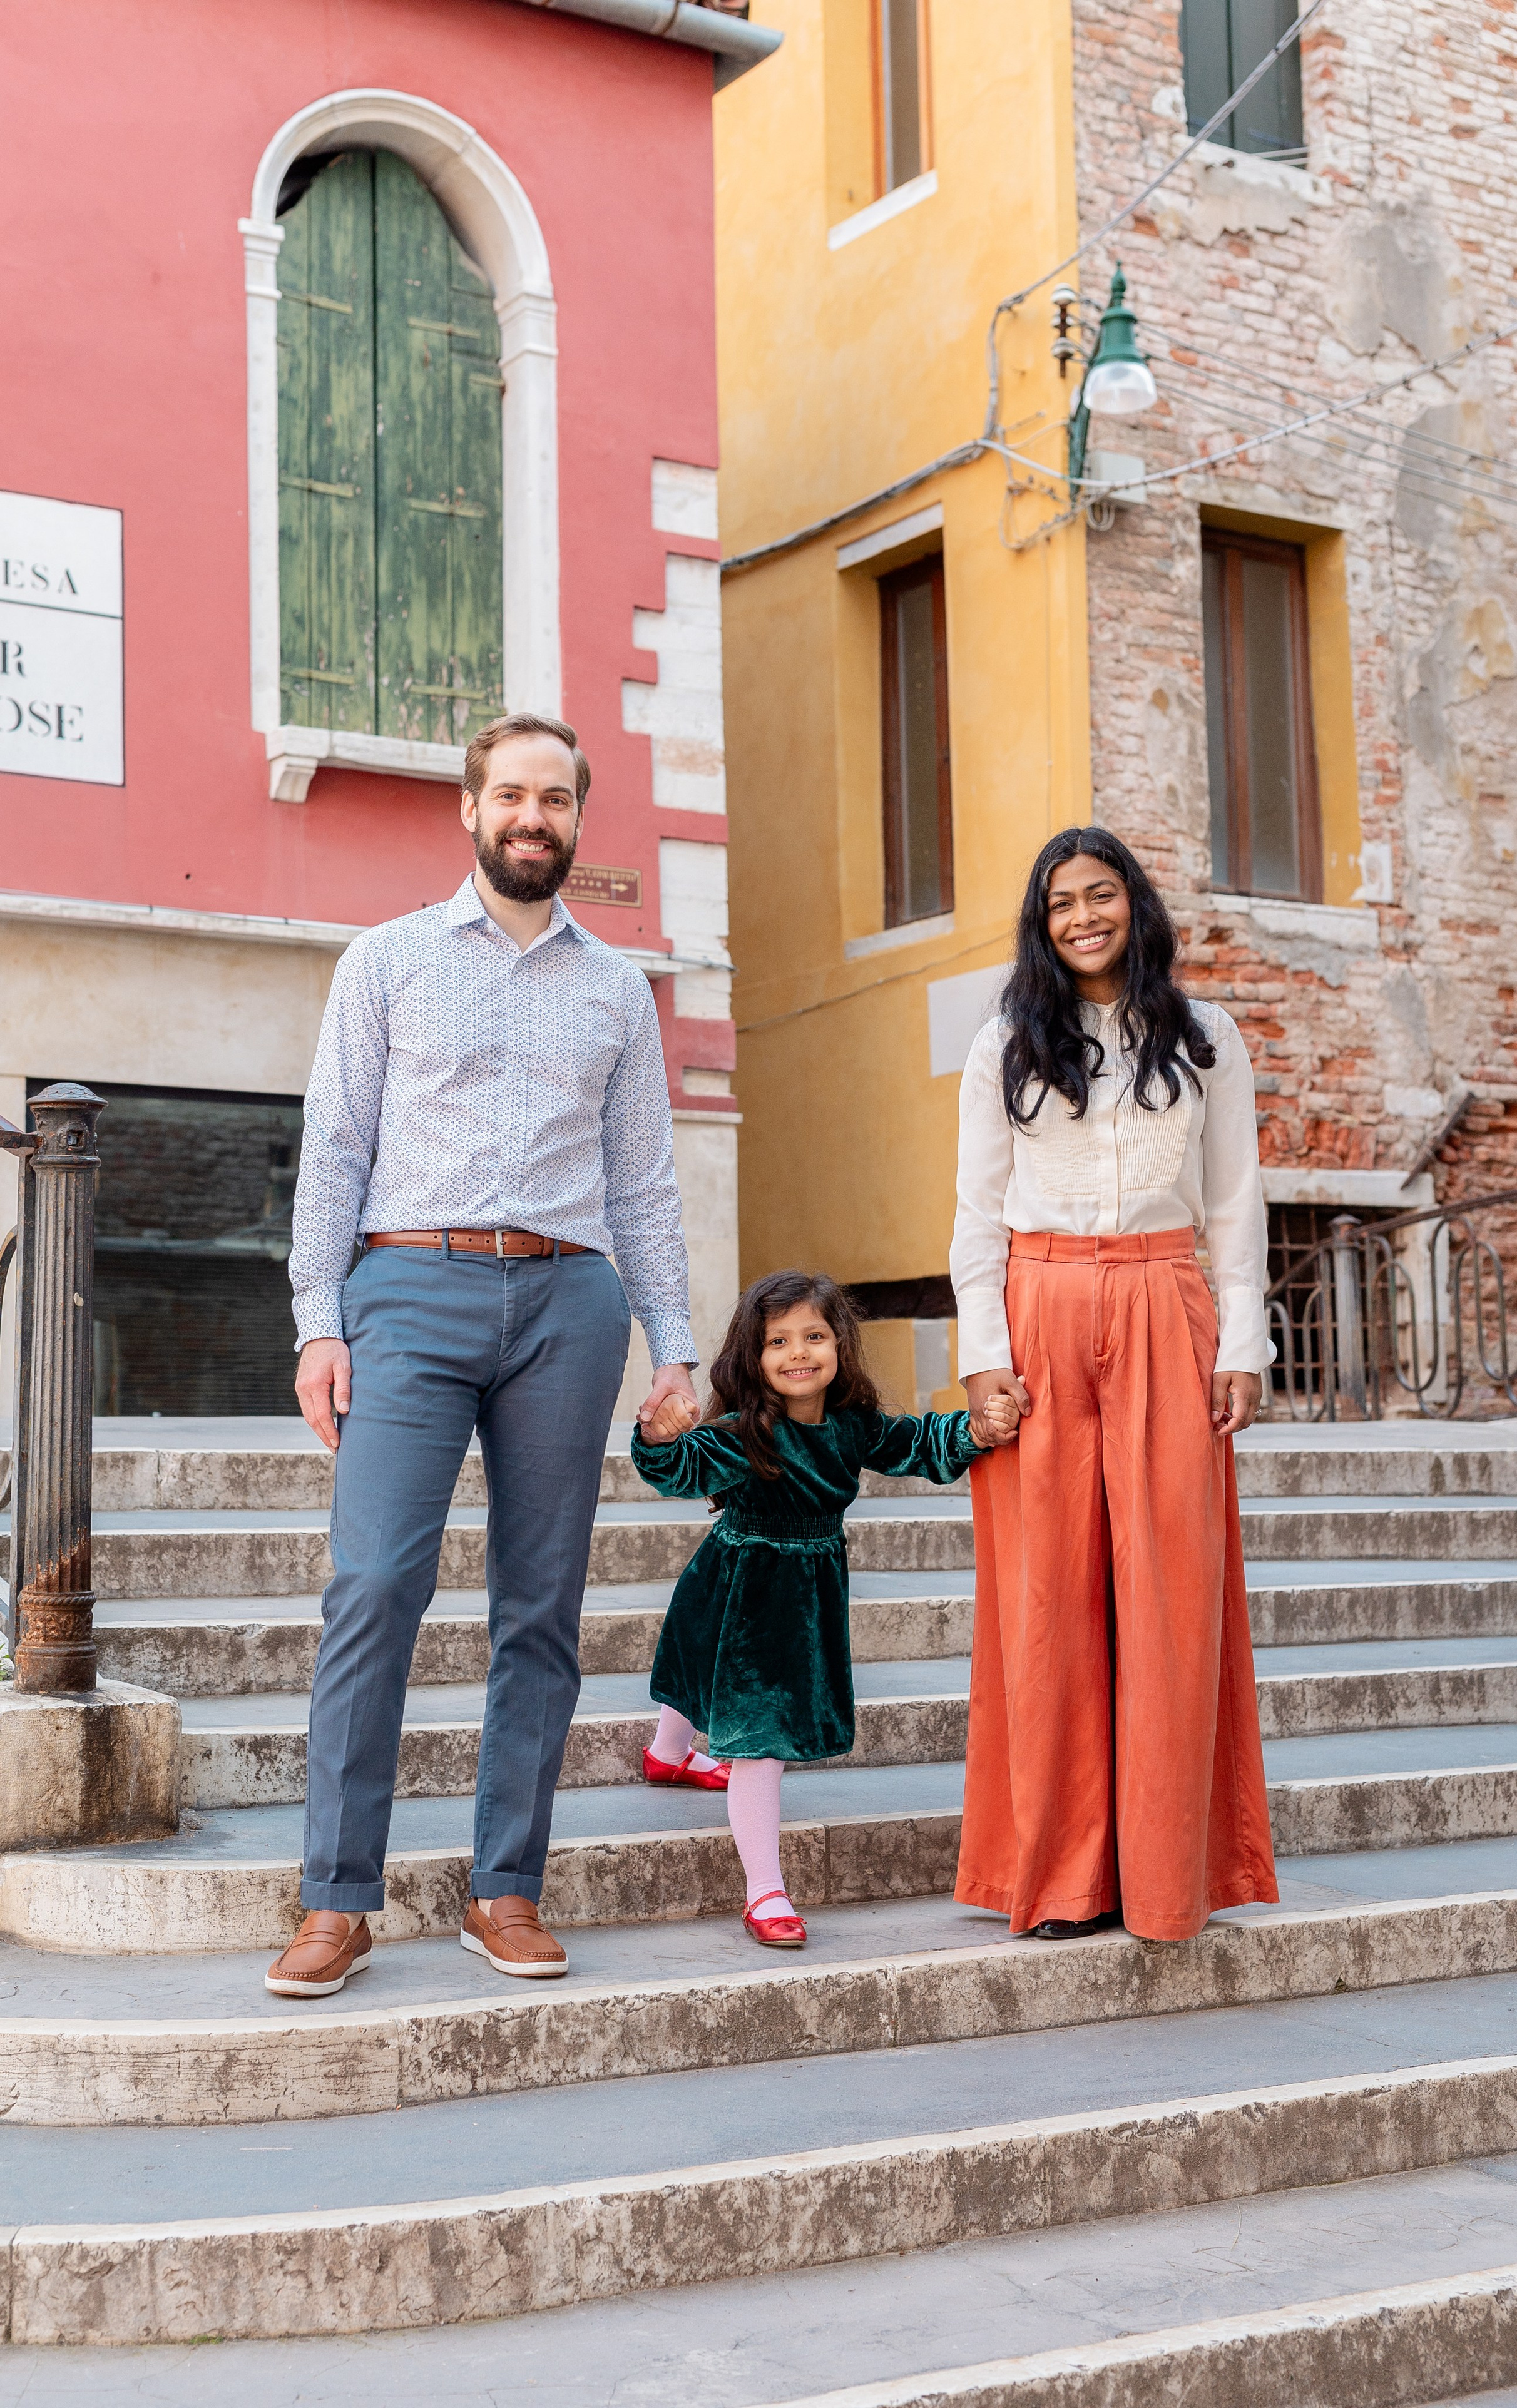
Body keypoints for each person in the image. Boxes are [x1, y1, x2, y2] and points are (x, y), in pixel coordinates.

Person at [267, 712, 700, 1997]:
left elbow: (644, 1181)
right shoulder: (386, 960)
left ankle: (505, 1887)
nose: (531, 817)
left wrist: (674, 1346)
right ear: (469, 807)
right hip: (409, 1288)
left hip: (569, 1303)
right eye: (510, 794)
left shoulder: (618, 990)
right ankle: (336, 1899)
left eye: (554, 799)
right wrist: (318, 1319)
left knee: (540, 1608)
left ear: (576, 818)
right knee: (374, 1587)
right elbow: (335, 1148)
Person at [951, 826, 1279, 1945]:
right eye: (1060, 903)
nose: (1082, 917)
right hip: (1038, 1305)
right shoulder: (1005, 1041)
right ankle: (1060, 1878)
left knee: (1172, 1593)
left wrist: (1244, 1343)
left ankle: (1165, 1874)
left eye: (1100, 895)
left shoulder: (1206, 1037)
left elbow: (1234, 1199)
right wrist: (983, 1356)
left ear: (1134, 904)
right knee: (1045, 1600)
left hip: (1162, 1297)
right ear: (1041, 925)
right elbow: (975, 1211)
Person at [634, 1271, 1019, 1946]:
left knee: (701, 1672)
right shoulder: (742, 1433)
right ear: (753, 1356)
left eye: (814, 1336)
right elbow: (679, 1468)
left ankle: (668, 1754)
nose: (798, 1352)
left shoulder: (852, 1426)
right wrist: (660, 1437)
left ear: (840, 1343)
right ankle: (765, 1890)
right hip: (743, 1588)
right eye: (778, 1341)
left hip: (807, 1591)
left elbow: (918, 1444)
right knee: (757, 1735)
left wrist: (977, 1429)